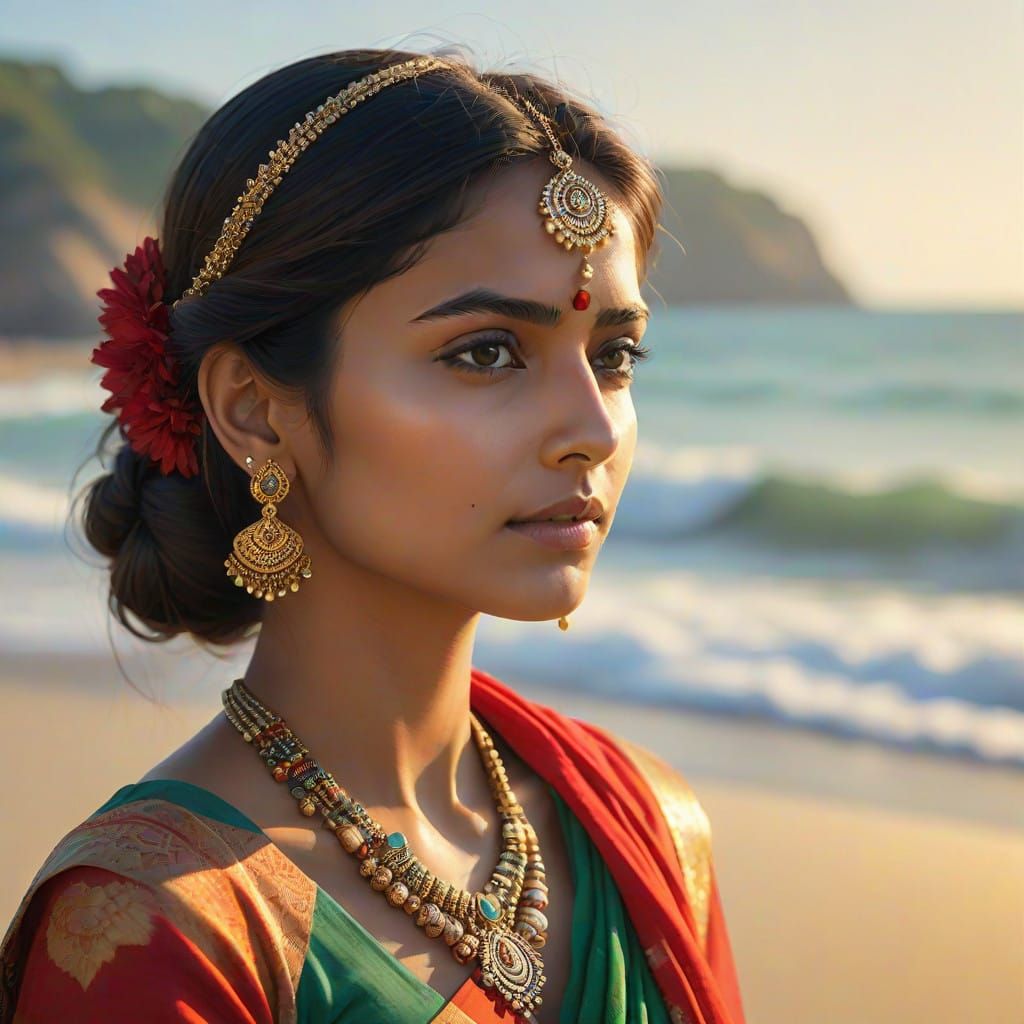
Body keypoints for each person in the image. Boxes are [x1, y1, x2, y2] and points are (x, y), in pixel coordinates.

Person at [0, 46, 746, 1024]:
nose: (593, 432)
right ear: (257, 410)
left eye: (613, 355)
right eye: (486, 352)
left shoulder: (646, 824)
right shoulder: (156, 925)